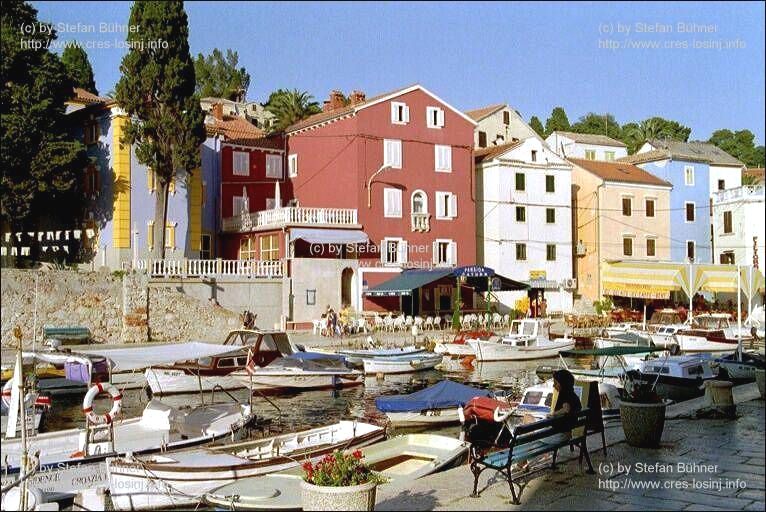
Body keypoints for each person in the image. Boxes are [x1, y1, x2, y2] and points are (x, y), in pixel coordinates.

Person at [514, 369, 581, 472]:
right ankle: (522, 462)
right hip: (566, 434)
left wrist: (554, 414)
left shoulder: (564, 396)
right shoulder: (574, 396)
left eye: (555, 383)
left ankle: (521, 462)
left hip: (558, 436)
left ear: (562, 383)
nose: (554, 386)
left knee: (527, 423)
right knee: (528, 424)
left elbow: (566, 408)